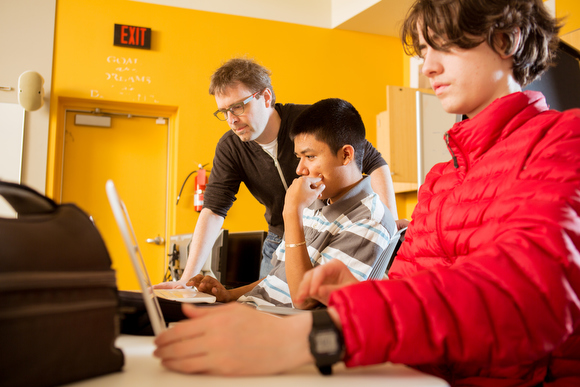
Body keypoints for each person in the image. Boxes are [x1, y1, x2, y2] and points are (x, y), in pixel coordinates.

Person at [154, 0, 580, 384]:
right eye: (424, 52)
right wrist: (353, 297)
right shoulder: (440, 180)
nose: (427, 67)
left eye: (443, 46)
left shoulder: (564, 141)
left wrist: (323, 333)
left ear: (506, 39)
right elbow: (411, 294)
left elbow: (531, 300)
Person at [155, 58, 399, 286]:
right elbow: (214, 210)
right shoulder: (230, 147)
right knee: (264, 300)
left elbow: (372, 160)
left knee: (302, 308)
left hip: (328, 233)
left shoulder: (307, 123)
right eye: (223, 112)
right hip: (279, 240)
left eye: (238, 107)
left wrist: (389, 224)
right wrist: (186, 281)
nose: (231, 119)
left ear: (266, 96)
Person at [187, 98, 397, 307]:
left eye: (310, 157)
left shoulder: (369, 220)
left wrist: (292, 212)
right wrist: (229, 295)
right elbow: (278, 278)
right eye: (299, 157)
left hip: (275, 327)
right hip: (249, 310)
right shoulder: (314, 205)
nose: (300, 170)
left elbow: (303, 299)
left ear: (345, 155)